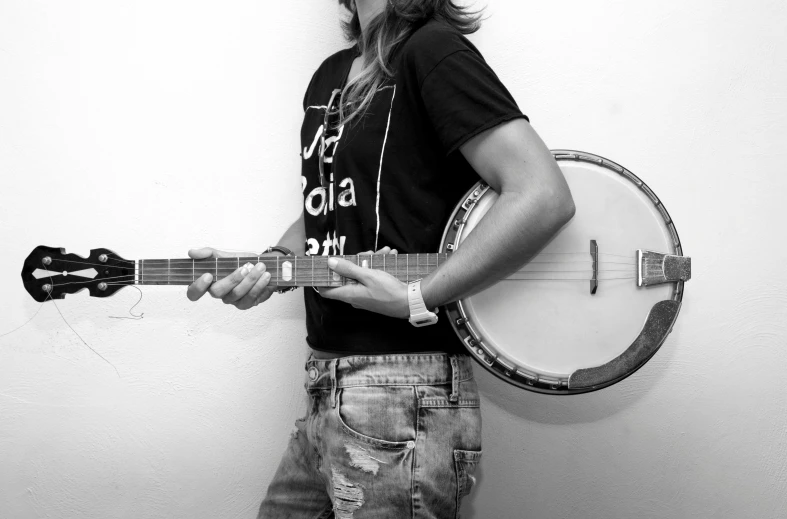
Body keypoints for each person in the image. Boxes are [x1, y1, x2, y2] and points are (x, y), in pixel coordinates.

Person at [187, 0, 575, 517]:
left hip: (404, 390)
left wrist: (418, 297)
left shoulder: (431, 51)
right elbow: (327, 208)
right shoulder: (328, 77)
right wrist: (272, 266)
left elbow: (542, 194)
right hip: (327, 383)